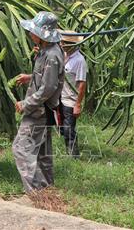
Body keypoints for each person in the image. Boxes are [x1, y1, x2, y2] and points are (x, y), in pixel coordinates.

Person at [12, 11, 65, 193]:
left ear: (42, 35)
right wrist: (30, 77)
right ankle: (48, 189)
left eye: (33, 31)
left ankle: (36, 192)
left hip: (39, 110)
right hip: (44, 110)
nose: (30, 33)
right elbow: (47, 79)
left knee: (21, 149)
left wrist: (25, 104)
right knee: (43, 152)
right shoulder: (47, 51)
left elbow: (47, 88)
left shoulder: (51, 55)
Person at [58, 30, 88, 158]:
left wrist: (78, 104)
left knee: (69, 129)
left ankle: (73, 155)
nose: (61, 44)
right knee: (62, 128)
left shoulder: (79, 60)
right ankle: (69, 150)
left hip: (71, 100)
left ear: (71, 44)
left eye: (63, 42)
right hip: (60, 97)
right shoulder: (63, 55)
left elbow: (82, 84)